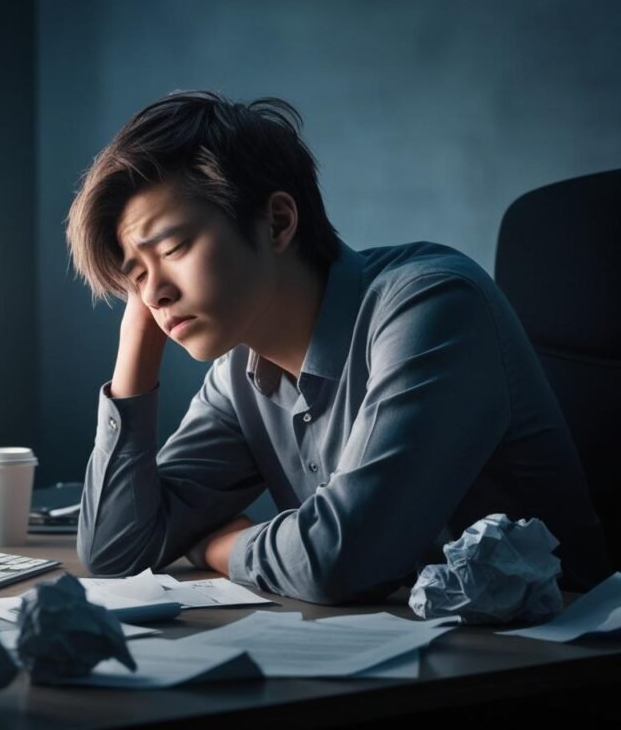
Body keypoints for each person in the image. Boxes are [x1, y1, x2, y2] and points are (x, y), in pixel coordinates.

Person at [65, 90, 611, 605]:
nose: (154, 291)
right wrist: (136, 347)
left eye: (174, 247)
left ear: (277, 222)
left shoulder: (435, 306)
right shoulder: (240, 372)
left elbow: (340, 557)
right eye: (134, 277)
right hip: (395, 662)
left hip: (545, 668)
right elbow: (117, 551)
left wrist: (216, 546)